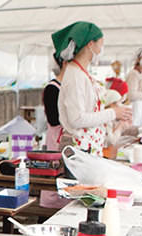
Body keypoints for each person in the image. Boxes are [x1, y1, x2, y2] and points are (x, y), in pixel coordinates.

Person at [53, 21, 132, 156]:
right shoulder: (75, 76)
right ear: (90, 44)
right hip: (78, 150)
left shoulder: (82, 73)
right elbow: (76, 119)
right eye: (101, 44)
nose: (101, 50)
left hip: (89, 148)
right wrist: (113, 113)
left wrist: (117, 117)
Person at [43, 57, 67, 151]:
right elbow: (53, 119)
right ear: (64, 64)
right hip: (56, 140)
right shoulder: (52, 89)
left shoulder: (65, 86)